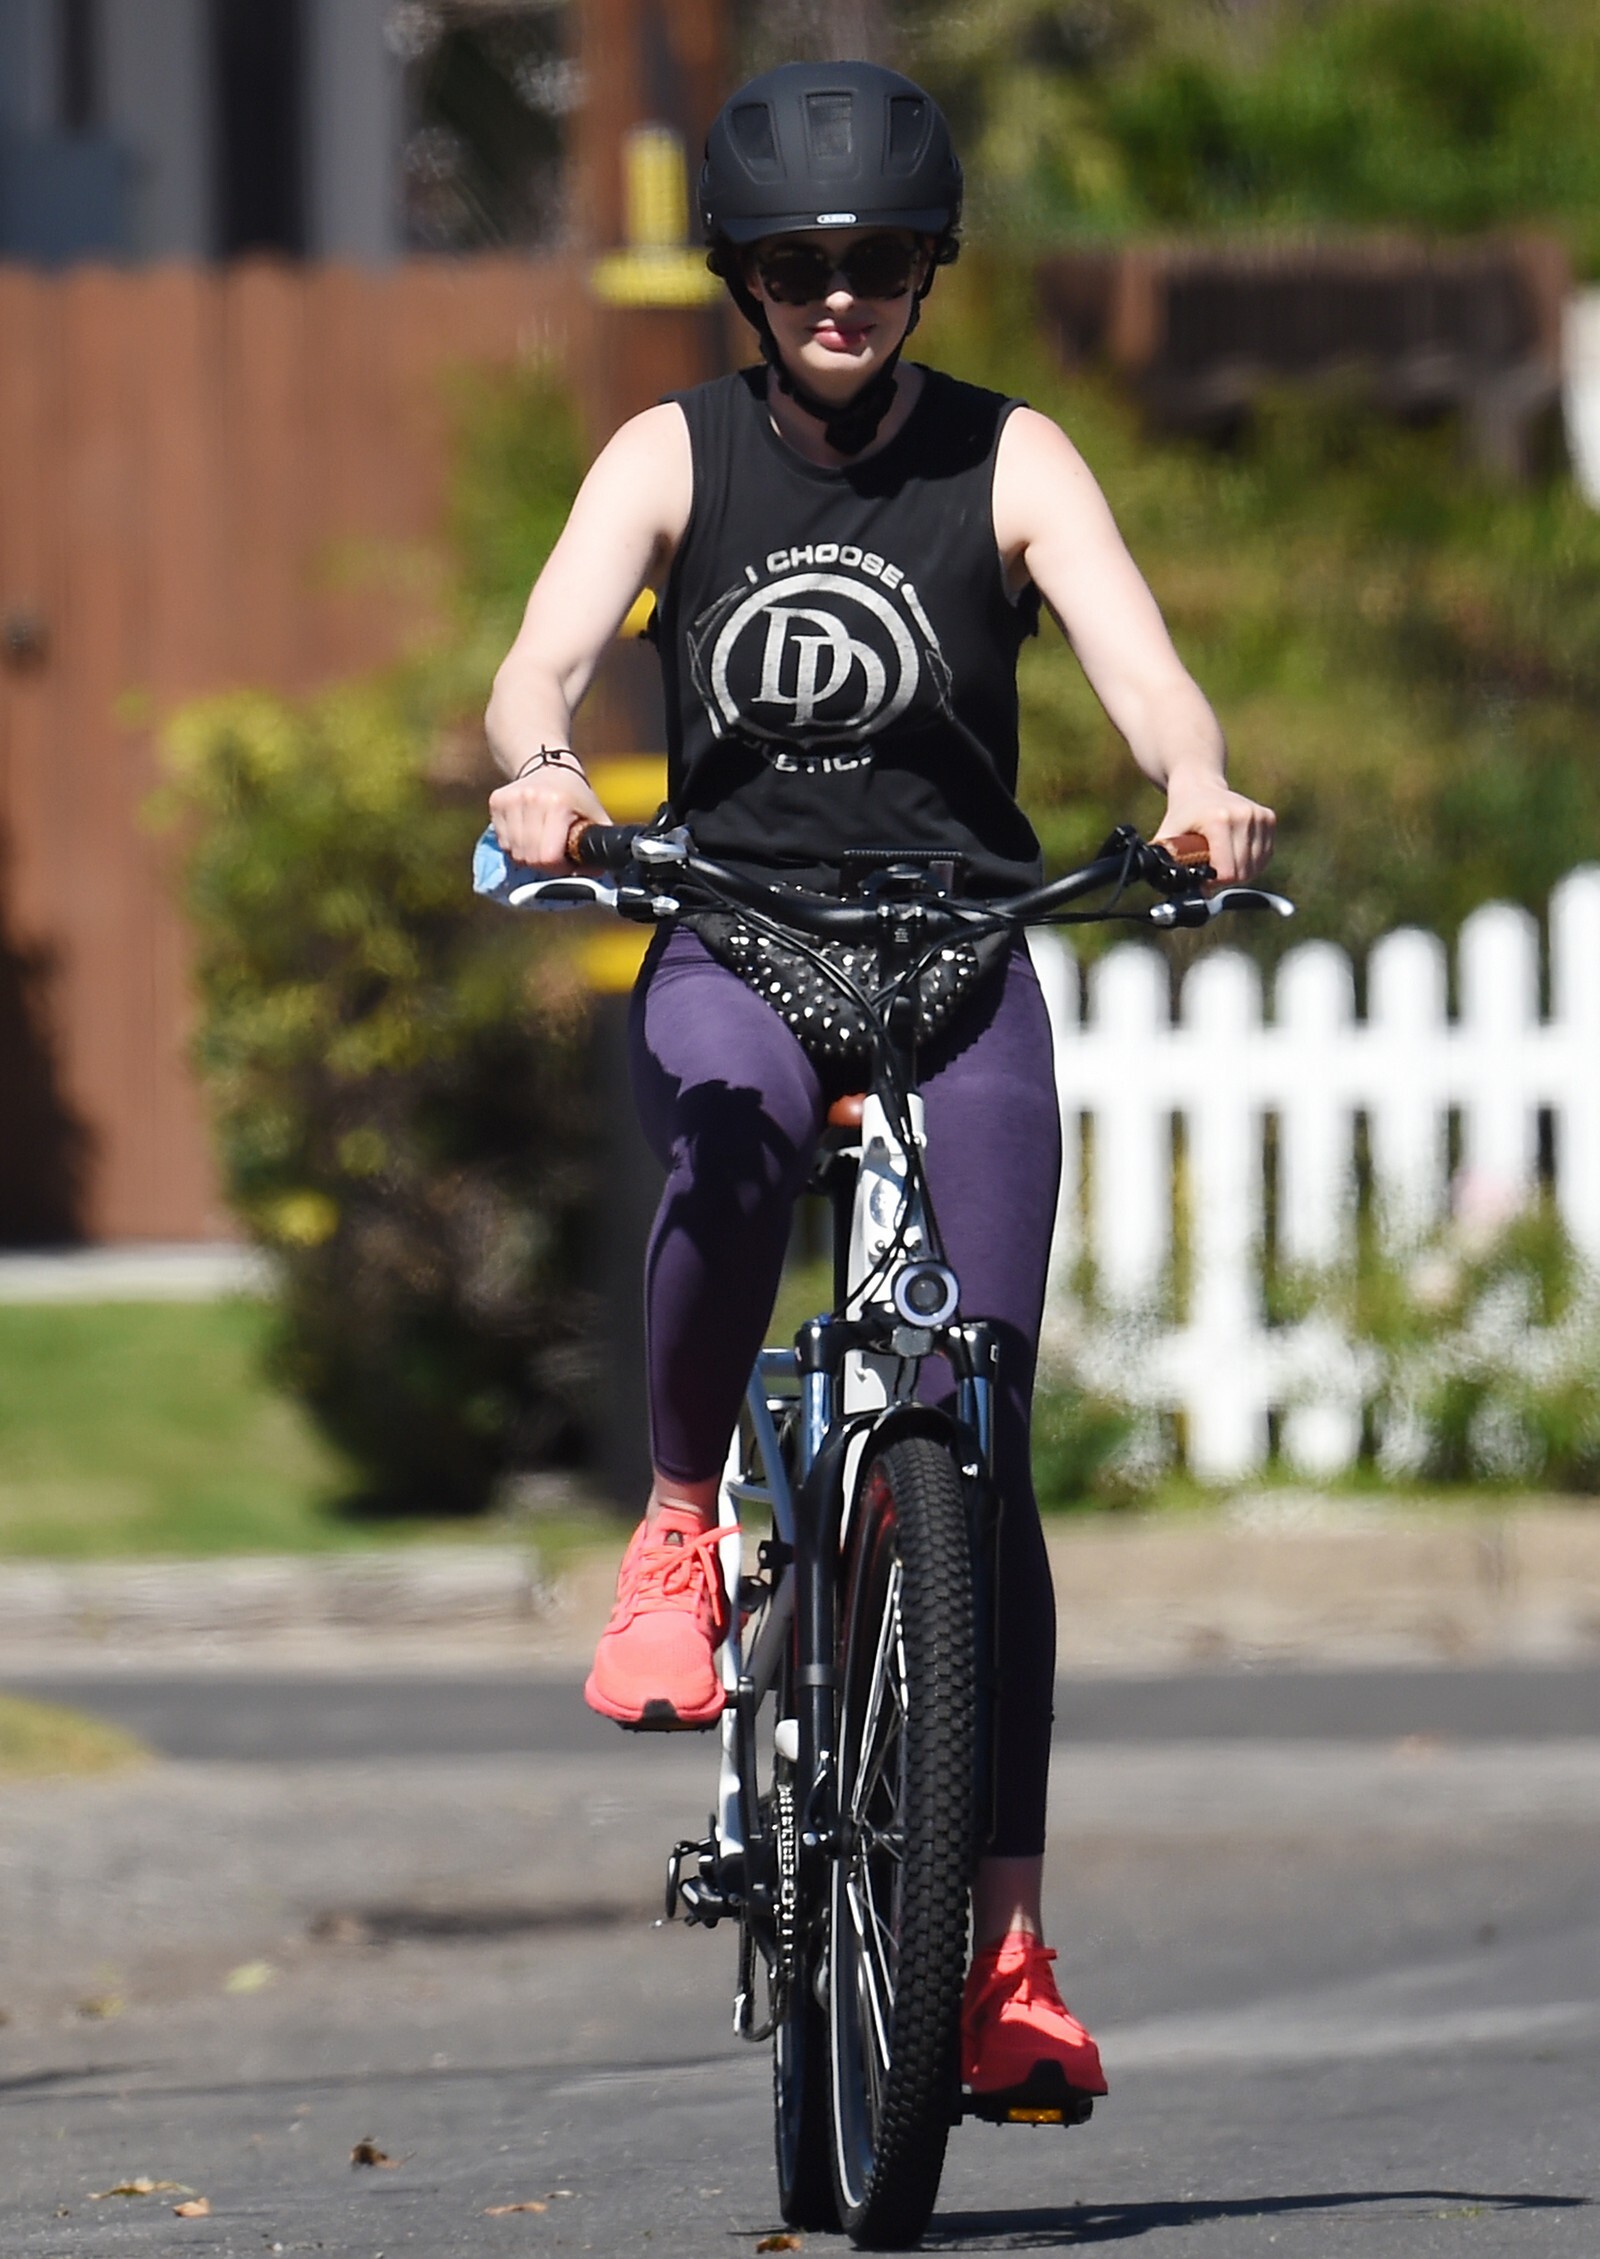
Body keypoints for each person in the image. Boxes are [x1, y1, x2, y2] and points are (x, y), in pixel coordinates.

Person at [486, 60, 1274, 2104]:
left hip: (954, 961)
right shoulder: (671, 454)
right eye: (797, 266)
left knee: (978, 1435)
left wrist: (1193, 781)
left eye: (880, 260)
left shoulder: (1012, 459)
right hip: (736, 936)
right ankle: (680, 1531)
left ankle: (999, 1947)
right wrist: (546, 768)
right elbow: (534, 661)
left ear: (930, 271)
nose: (839, 295)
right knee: (732, 1147)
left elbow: (1144, 670)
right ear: (743, 283)